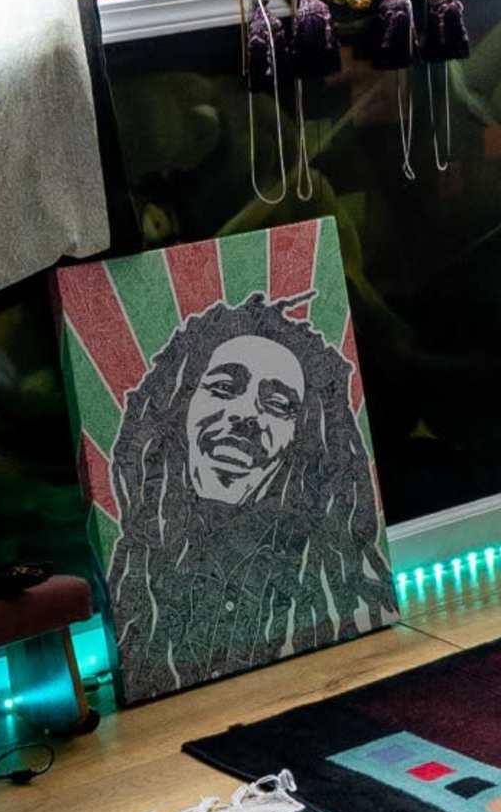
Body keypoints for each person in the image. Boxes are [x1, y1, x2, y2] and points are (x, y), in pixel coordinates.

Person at [102, 276, 392, 686]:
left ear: (302, 437)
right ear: (178, 406)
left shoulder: (320, 570)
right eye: (224, 387)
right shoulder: (139, 569)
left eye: (278, 404)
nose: (247, 415)